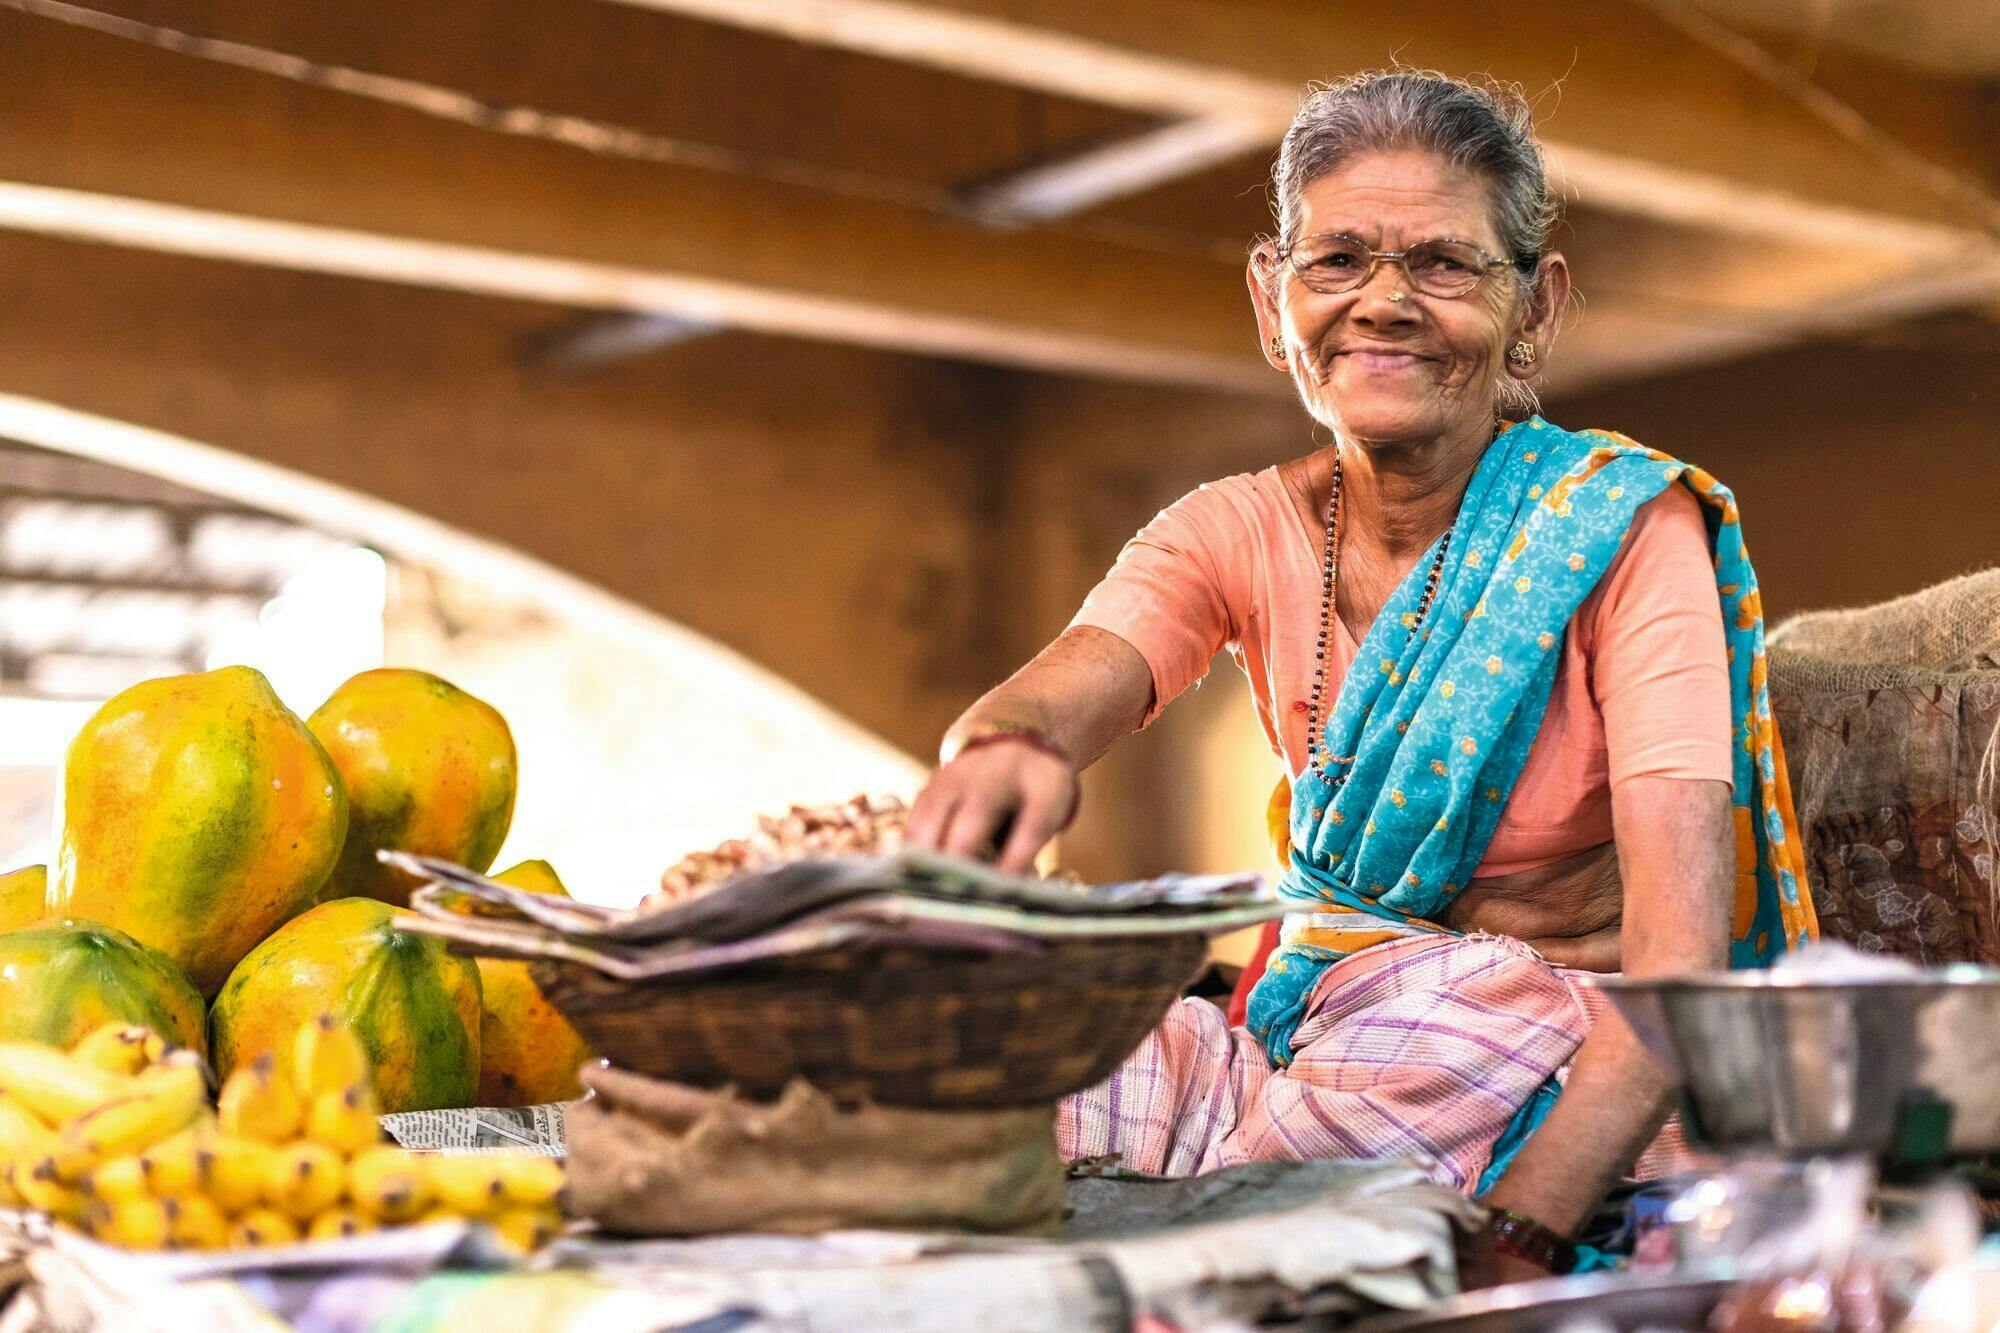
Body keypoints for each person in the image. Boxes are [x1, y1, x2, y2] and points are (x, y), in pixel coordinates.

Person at [905, 69, 1816, 1286]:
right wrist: (1007, 747)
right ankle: (1250, 1209)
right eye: (1334, 261)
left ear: (1532, 311)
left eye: (1442, 263)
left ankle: (1255, 1222)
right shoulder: (1224, 527)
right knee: (1009, 1078)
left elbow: (1673, 966)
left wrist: (1524, 1231)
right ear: (1269, 299)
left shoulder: (1616, 529)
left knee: (1369, 1088)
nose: (1382, 304)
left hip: (1536, 1046)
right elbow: (1063, 690)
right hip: (1312, 1020)